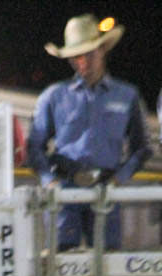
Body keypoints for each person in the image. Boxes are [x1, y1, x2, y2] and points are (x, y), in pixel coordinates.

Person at [27, 14, 151, 251]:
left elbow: (142, 148)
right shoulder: (54, 96)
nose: (83, 62)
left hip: (105, 186)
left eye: (89, 54)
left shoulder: (128, 96)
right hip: (65, 188)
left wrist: (118, 179)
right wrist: (49, 181)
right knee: (62, 260)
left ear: (102, 50)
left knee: (107, 259)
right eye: (76, 56)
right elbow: (34, 146)